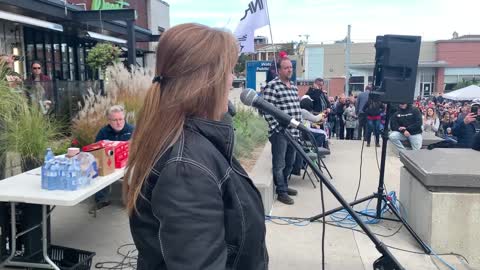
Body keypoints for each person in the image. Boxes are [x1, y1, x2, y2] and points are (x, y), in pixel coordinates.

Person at [123, 24, 267, 270]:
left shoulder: (192, 145)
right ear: (207, 83)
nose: (233, 80)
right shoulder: (186, 170)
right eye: (230, 71)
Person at [263, 56, 302, 205]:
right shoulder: (273, 86)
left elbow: (296, 108)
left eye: (291, 67)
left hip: (294, 132)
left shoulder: (293, 86)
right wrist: (277, 128)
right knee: (279, 164)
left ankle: (285, 185)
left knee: (290, 162)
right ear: (279, 70)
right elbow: (266, 110)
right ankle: (281, 192)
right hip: (280, 133)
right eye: (286, 68)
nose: (289, 70)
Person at [90, 105, 135, 212]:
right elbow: (96, 150)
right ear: (109, 120)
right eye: (115, 120)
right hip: (109, 163)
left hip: (129, 162)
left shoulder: (133, 130)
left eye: (121, 119)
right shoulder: (103, 132)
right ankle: (101, 200)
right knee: (97, 168)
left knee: (134, 172)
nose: (119, 123)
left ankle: (131, 201)